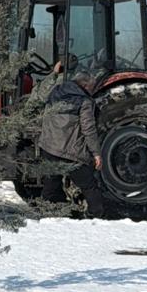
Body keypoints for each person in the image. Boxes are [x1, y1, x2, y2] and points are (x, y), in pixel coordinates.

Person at [37, 62, 107, 217]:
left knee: (50, 186)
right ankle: (97, 217)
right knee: (89, 186)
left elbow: (40, 94)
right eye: (92, 86)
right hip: (71, 154)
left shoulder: (55, 91)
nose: (92, 89)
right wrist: (96, 154)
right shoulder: (85, 101)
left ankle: (46, 217)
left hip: (48, 148)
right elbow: (88, 129)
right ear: (85, 85)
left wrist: (54, 73)